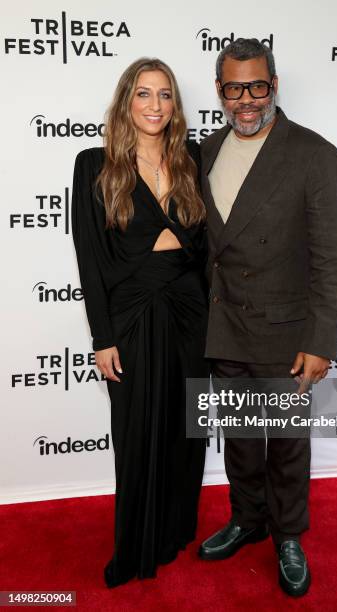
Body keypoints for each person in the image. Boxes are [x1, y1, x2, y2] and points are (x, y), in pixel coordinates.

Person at [198, 39, 337, 597]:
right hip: (225, 325)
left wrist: (320, 339)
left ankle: (287, 533)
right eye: (234, 88)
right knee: (238, 435)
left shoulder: (313, 154)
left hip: (285, 332)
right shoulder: (205, 151)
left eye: (256, 86)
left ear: (273, 85)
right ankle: (247, 517)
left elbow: (331, 259)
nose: (246, 100)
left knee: (286, 440)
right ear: (220, 90)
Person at [71, 57, 209, 588]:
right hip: (132, 315)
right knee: (136, 431)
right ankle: (134, 547)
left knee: (183, 428)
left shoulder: (193, 158)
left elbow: (204, 245)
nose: (155, 106)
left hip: (190, 312)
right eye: (144, 94)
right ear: (126, 101)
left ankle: (175, 531)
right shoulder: (95, 165)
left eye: (166, 95)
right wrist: (102, 337)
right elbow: (90, 254)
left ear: (176, 105)